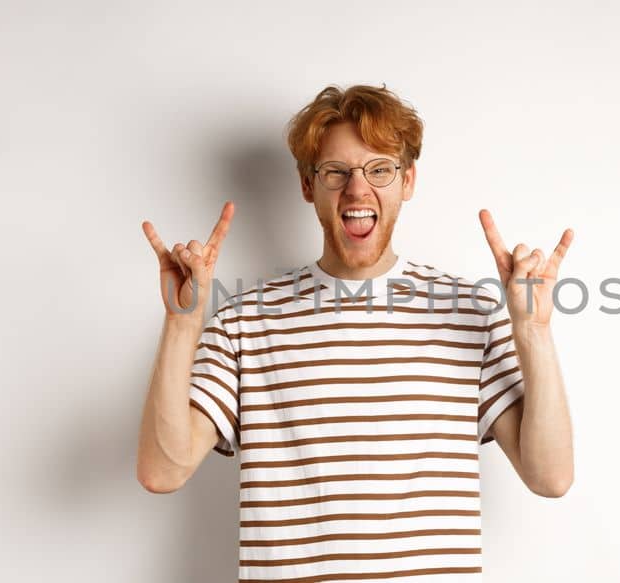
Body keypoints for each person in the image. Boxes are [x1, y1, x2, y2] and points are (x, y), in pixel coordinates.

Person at [135, 84, 574, 581]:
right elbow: (162, 470)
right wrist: (181, 323)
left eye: (379, 169)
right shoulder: (245, 322)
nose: (358, 190)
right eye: (336, 172)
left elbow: (551, 476)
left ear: (407, 181)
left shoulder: (470, 314)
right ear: (308, 185)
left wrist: (533, 332)